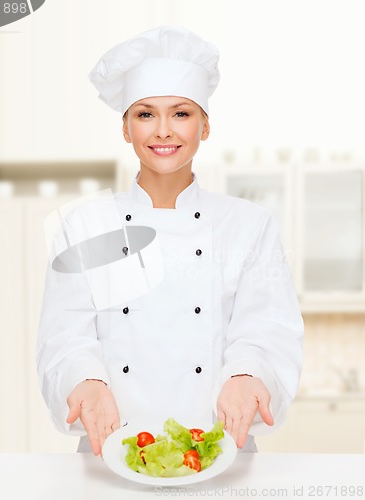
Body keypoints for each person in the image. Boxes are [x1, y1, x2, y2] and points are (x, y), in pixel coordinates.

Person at [37, 26, 304, 456]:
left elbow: (267, 331)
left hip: (220, 453)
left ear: (206, 126)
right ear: (125, 129)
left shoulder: (249, 225)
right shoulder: (85, 225)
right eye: (145, 114)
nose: (163, 130)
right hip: (112, 453)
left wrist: (247, 375)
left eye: (181, 113)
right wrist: (84, 379)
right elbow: (64, 337)